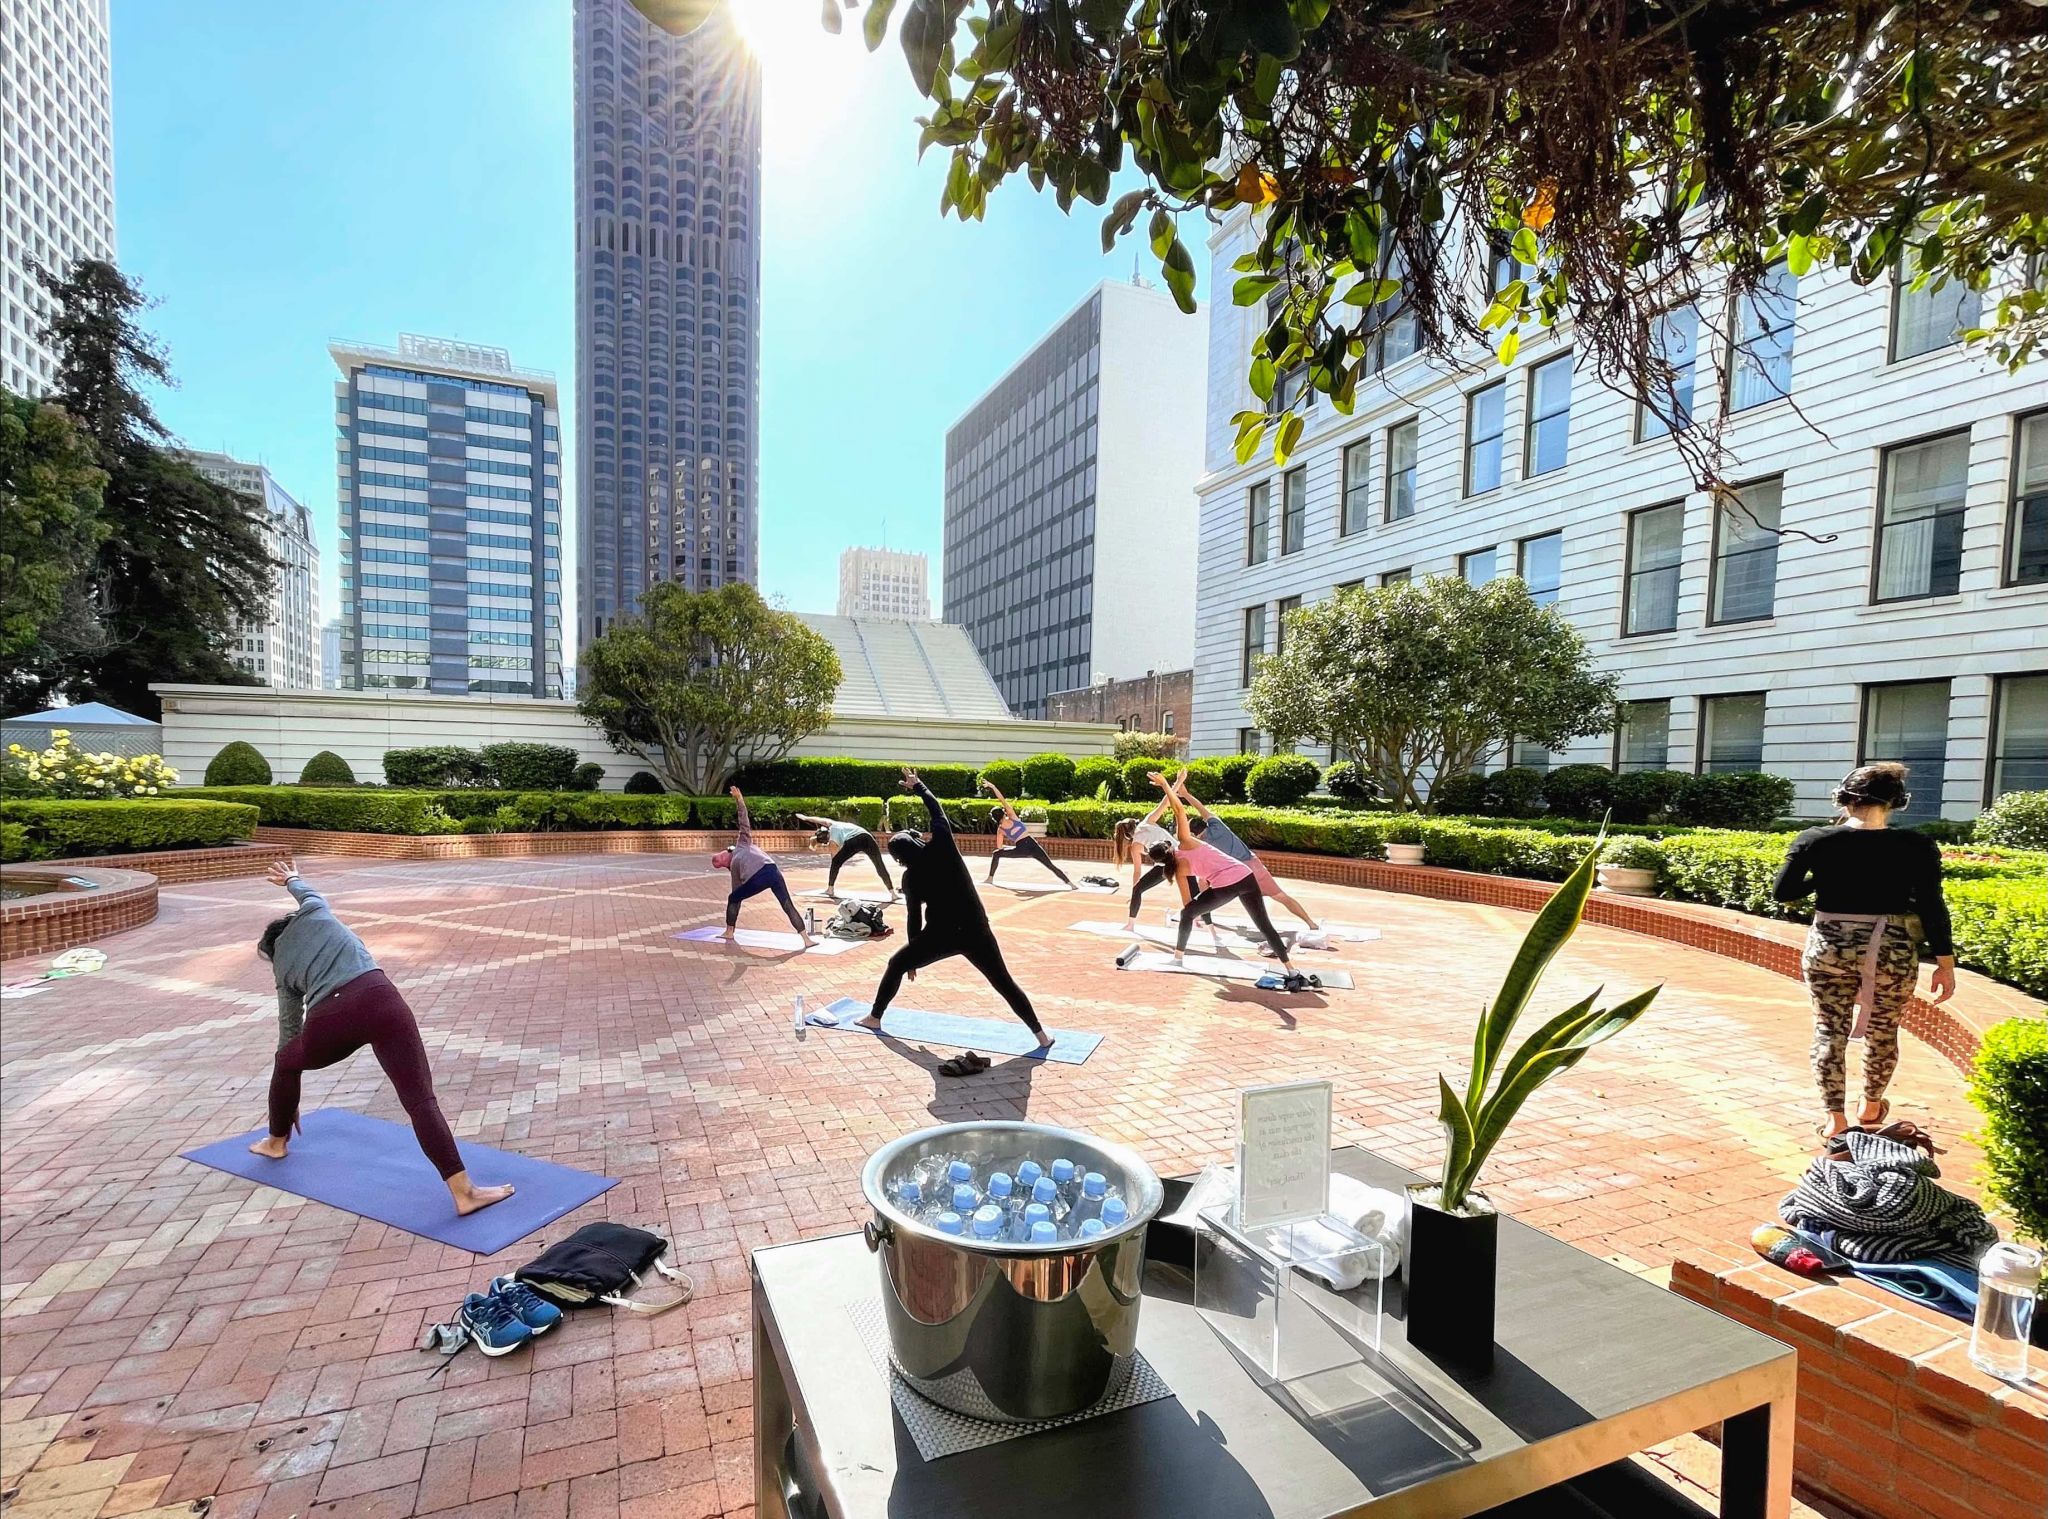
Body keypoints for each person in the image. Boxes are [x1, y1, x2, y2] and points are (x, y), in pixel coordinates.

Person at [251, 859, 514, 1216]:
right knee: (420, 1100)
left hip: (332, 1018)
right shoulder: (314, 911)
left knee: (285, 1061)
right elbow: (306, 892)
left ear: (273, 947)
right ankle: (464, 1192)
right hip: (382, 999)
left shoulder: (283, 966)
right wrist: (291, 878)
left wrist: (289, 1081)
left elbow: (289, 1027)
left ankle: (276, 1141)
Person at [1773, 763, 1956, 1141]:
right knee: (1884, 1030)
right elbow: (1931, 906)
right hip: (1891, 947)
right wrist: (1944, 963)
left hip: (1829, 946)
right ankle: (1871, 1105)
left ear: (1844, 798)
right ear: (1897, 802)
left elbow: (1784, 892)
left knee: (1829, 1030)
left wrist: (1821, 879)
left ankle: (1835, 1120)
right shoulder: (1917, 846)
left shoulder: (1816, 839)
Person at [856, 767, 1054, 1050]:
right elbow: (938, 813)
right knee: (1003, 982)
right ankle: (1041, 1036)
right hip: (976, 929)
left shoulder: (910, 877)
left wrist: (912, 957)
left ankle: (875, 1017)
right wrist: (919, 786)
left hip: (940, 935)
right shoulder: (944, 849)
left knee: (895, 964)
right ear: (916, 841)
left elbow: (913, 917)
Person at [1150, 771, 1309, 991]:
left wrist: (1199, 914)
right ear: (1167, 846)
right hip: (1245, 876)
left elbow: (1189, 906)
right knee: (1264, 925)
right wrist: (1167, 785)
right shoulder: (1184, 842)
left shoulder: (1177, 870)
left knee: (1187, 914)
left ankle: (1178, 958)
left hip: (1226, 886)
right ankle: (1292, 970)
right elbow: (1179, 810)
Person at [1175, 778, 1321, 930]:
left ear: (1195, 835)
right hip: (1253, 864)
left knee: (1203, 882)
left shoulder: (1202, 846)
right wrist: (1186, 794)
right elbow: (1201, 808)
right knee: (1281, 897)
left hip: (1235, 873)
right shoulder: (1218, 825)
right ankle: (1311, 923)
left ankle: (1203, 915)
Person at [714, 786, 814, 943]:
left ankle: (729, 932)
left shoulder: (742, 843)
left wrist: (740, 800)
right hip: (772, 871)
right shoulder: (738, 855)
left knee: (736, 898)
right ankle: (806, 939)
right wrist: (739, 799)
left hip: (766, 872)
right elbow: (737, 893)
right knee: (785, 903)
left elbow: (743, 821)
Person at [1113, 794, 1190, 931]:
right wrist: (1177, 784)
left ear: (1126, 836)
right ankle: (1204, 920)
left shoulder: (1136, 845)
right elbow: (1165, 802)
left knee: (1138, 889)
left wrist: (1134, 893)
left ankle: (1130, 924)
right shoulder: (1148, 821)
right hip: (1184, 856)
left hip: (1168, 863)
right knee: (1193, 890)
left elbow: (1137, 872)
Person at [981, 778, 1074, 887]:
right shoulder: (1012, 817)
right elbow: (1002, 800)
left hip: (1020, 849)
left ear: (994, 819)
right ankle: (1071, 884)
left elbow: (999, 847)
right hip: (1032, 844)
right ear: (1003, 813)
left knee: (996, 854)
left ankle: (990, 878)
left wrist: (1007, 847)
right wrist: (993, 787)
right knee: (1050, 865)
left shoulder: (1000, 830)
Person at [795, 811, 895, 899]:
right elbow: (821, 820)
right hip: (868, 837)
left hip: (854, 840)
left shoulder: (832, 840)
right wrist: (806, 818)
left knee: (835, 862)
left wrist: (835, 863)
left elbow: (835, 858)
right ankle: (893, 893)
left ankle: (830, 889)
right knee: (879, 865)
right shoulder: (832, 824)